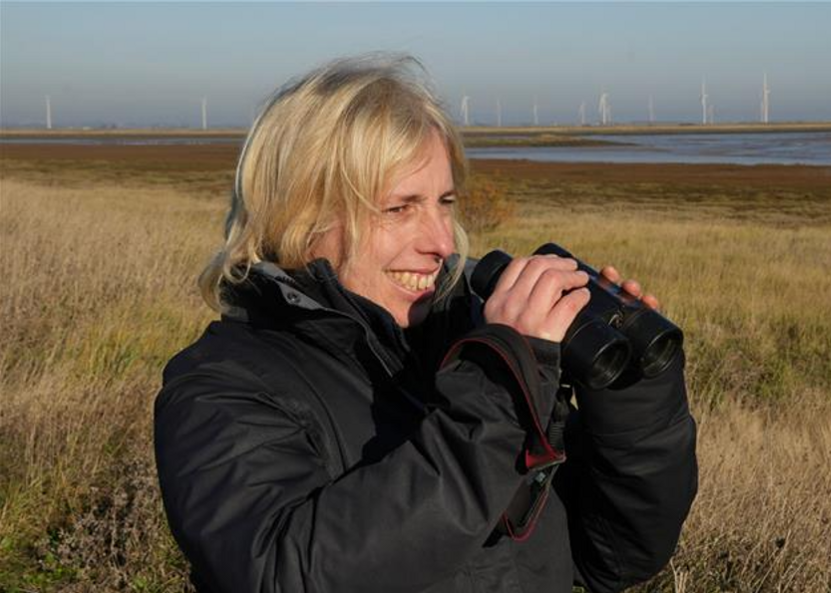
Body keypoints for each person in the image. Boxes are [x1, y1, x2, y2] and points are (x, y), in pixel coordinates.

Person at [154, 55, 697, 593]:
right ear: (299, 214)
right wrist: (501, 387)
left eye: (444, 203)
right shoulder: (220, 385)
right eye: (399, 208)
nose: (440, 241)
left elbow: (614, 558)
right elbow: (282, 573)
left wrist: (633, 399)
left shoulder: (457, 345)